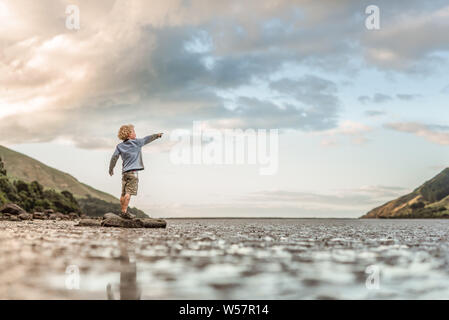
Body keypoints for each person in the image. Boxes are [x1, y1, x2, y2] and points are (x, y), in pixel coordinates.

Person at [109, 124, 163, 219]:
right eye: (133, 131)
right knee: (129, 193)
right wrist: (157, 135)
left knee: (123, 193)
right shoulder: (136, 142)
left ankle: (122, 212)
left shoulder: (119, 146)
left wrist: (111, 168)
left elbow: (114, 157)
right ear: (129, 134)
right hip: (133, 173)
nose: (135, 133)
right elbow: (147, 139)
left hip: (125, 173)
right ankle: (124, 212)